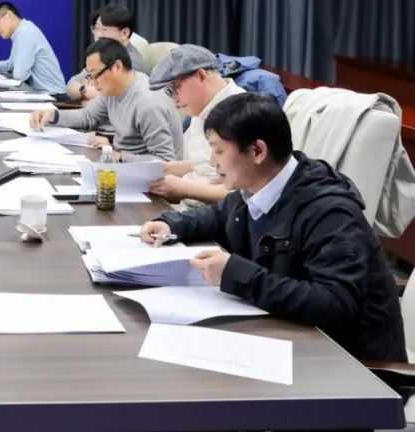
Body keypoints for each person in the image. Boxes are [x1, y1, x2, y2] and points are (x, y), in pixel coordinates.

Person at [140, 94, 405, 362]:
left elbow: (335, 305)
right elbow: (220, 215)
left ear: (257, 151)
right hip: (292, 339)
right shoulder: (260, 187)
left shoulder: (330, 213)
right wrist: (171, 223)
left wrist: (237, 274)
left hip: (351, 365)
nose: (212, 162)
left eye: (219, 151)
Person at [30, 38, 182, 161]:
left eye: (95, 75)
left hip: (150, 182)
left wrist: (120, 156)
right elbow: (89, 116)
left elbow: (165, 160)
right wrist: (53, 115)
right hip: (125, 165)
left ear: (117, 67)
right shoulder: (113, 89)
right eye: (90, 76)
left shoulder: (148, 103)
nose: (92, 83)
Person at [146, 44, 246, 206]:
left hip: (218, 214)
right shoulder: (202, 107)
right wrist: (170, 168)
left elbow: (244, 194)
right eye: (169, 91)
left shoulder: (242, 113)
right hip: (191, 208)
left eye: (175, 87)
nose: (175, 99)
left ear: (201, 75)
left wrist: (185, 189)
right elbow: (207, 166)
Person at [0, 1, 66, 96]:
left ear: (9, 15)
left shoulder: (25, 32)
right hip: (43, 94)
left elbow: (20, 75)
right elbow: (12, 63)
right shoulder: (20, 32)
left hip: (53, 96)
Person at [66, 4, 147, 101]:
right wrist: (85, 90)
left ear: (124, 33)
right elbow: (70, 86)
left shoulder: (132, 62)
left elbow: (106, 100)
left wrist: (85, 94)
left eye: (105, 30)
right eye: (96, 28)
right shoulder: (101, 55)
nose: (98, 35)